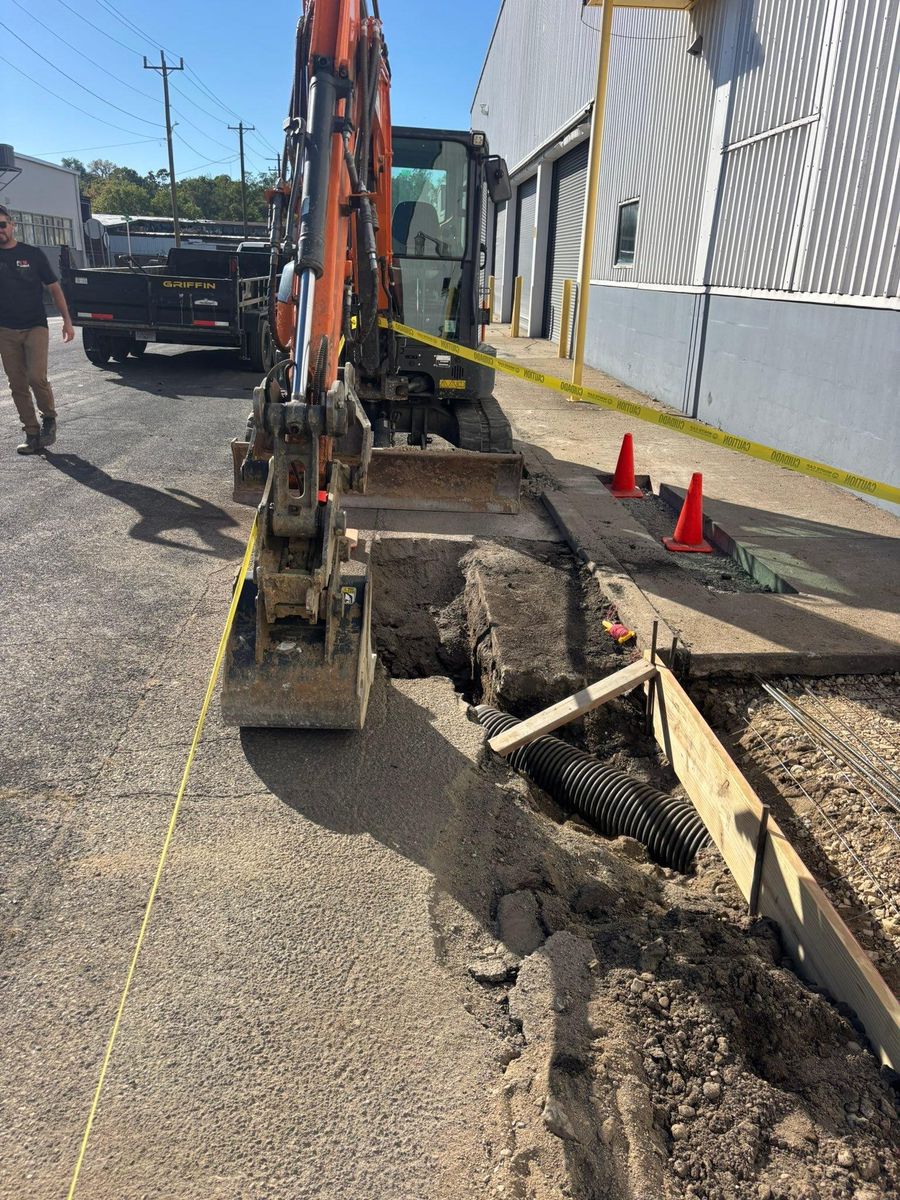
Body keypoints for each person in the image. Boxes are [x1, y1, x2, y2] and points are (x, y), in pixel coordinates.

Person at [0, 204, 75, 455]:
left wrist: (66, 320)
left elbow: (54, 288)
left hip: (35, 326)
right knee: (17, 384)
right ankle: (32, 434)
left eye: (2, 225)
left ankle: (49, 418)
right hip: (5, 329)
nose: (0, 230)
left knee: (35, 377)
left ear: (12, 225)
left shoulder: (32, 254)